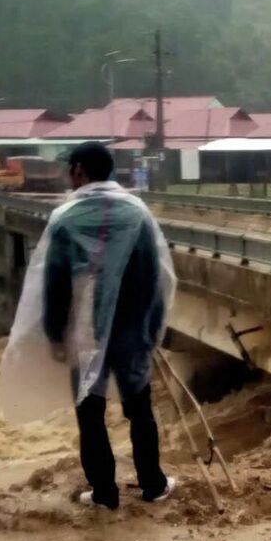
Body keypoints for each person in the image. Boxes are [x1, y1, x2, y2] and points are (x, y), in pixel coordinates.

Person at [43, 142, 177, 508]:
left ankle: (104, 493)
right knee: (140, 409)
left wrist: (55, 333)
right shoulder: (137, 214)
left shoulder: (65, 219)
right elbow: (154, 276)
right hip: (132, 328)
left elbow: (54, 283)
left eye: (70, 169)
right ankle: (153, 485)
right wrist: (152, 329)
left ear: (81, 171)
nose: (69, 176)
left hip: (86, 329)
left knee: (90, 413)